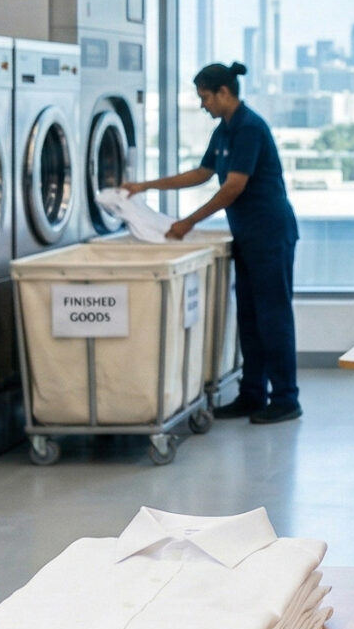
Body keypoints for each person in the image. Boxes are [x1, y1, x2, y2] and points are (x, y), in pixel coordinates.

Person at [121, 61, 303, 424]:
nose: (202, 104)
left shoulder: (249, 128)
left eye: (205, 97)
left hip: (270, 234)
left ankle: (285, 398)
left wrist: (187, 222)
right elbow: (202, 173)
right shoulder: (225, 131)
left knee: (273, 318)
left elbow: (233, 186)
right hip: (248, 237)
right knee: (249, 319)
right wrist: (145, 186)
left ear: (224, 92)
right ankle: (252, 394)